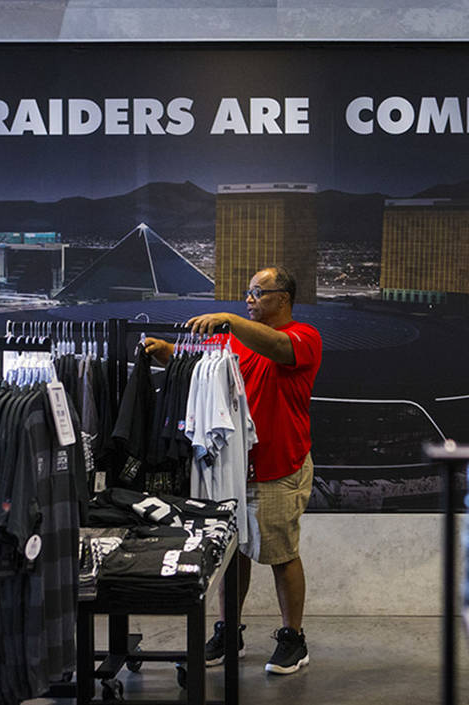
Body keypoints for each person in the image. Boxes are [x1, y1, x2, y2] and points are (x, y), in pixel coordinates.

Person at [141, 265, 322, 675]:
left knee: (280, 553)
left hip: (278, 466)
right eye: (248, 293)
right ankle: (228, 631)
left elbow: (279, 349)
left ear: (284, 298)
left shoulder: (302, 337)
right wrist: (164, 352)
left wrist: (234, 322)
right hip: (230, 468)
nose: (249, 299)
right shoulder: (228, 341)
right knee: (230, 553)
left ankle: (293, 637)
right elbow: (193, 366)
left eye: (259, 293)